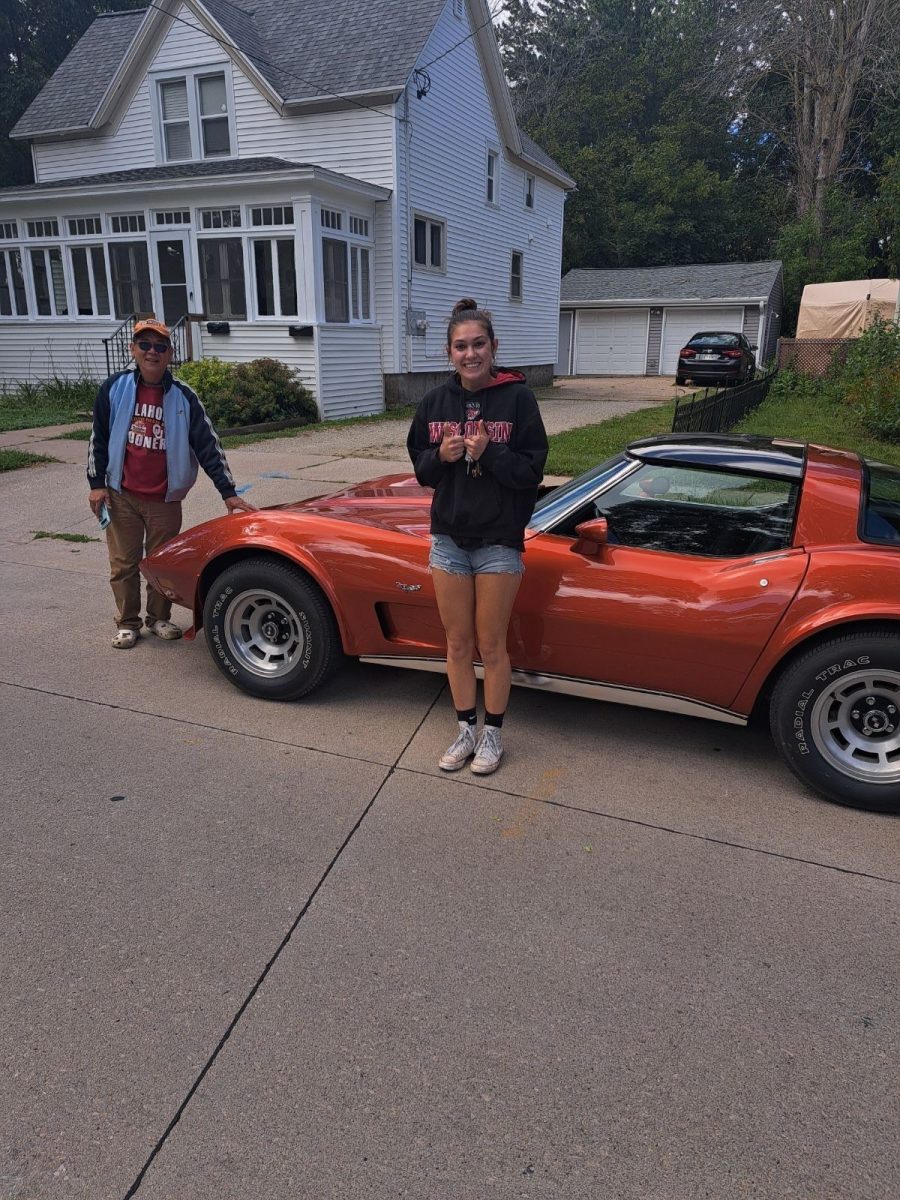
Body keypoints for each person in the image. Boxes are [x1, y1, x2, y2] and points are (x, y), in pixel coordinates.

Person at [407, 298, 548, 775]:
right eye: (461, 346)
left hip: (498, 543)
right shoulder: (434, 403)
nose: (471, 354)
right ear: (449, 353)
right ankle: (465, 729)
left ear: (494, 348)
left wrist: (490, 453)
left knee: (492, 645)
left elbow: (531, 473)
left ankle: (493, 736)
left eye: (479, 344)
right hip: (448, 540)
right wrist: (441, 457)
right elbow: (422, 471)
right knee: (457, 643)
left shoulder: (518, 399)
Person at [87, 317, 255, 649]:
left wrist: (229, 493)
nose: (152, 352)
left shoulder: (184, 397)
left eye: (160, 346)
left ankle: (157, 618)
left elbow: (208, 446)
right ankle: (128, 623)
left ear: (169, 354)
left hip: (164, 499)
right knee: (123, 564)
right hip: (122, 496)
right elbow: (99, 439)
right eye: (145, 345)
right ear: (133, 350)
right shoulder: (114, 389)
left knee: (161, 563)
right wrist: (96, 482)